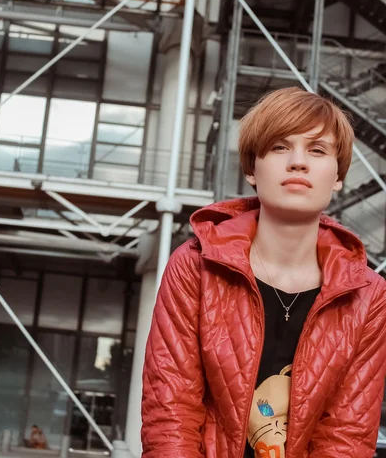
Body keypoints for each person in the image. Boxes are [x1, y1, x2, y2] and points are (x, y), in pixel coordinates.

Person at [141, 87, 386, 458]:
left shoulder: (368, 294)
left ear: (338, 176)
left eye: (317, 150)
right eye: (279, 147)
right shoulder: (196, 265)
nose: (298, 162)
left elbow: (346, 435)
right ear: (251, 169)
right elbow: (171, 407)